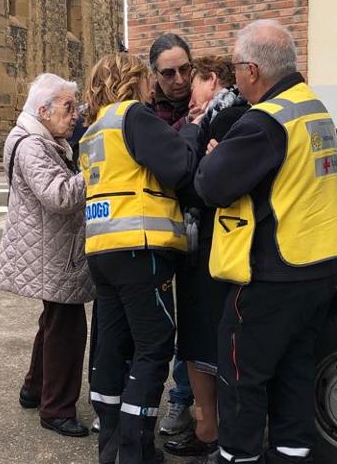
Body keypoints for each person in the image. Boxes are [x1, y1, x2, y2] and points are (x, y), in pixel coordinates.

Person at [194, 20, 337, 464]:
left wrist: (213, 158)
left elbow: (210, 185)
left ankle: (236, 456)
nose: (235, 77)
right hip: (317, 267)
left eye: (236, 67)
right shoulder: (314, 108)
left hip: (270, 274)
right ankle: (291, 453)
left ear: (254, 70)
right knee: (295, 372)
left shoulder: (264, 121)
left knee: (243, 377)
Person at [80, 52, 202, 464]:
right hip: (142, 250)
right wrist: (194, 131)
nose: (155, 87)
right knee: (153, 348)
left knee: (112, 347)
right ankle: (135, 453)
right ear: (133, 80)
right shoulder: (133, 116)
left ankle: (111, 447)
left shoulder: (93, 130)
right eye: (149, 78)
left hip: (103, 252)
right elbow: (181, 167)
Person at [0, 73, 94, 437]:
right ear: (43, 110)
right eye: (68, 108)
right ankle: (56, 409)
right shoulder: (33, 145)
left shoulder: (36, 138)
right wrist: (94, 170)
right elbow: (59, 196)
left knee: (54, 323)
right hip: (51, 251)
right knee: (66, 329)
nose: (75, 116)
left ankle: (35, 389)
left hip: (48, 249)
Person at [162, 56, 248, 463]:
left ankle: (209, 430)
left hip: (213, 249)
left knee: (202, 345)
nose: (188, 94)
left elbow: (193, 183)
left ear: (211, 80)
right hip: (223, 249)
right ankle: (211, 428)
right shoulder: (237, 115)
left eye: (193, 82)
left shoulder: (224, 118)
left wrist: (197, 135)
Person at [147, 32, 196, 437]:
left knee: (195, 318)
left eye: (185, 69)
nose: (179, 79)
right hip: (157, 225)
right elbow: (164, 155)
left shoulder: (215, 96)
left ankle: (182, 399)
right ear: (154, 75)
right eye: (169, 73)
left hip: (202, 224)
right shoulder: (145, 109)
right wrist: (193, 124)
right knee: (155, 322)